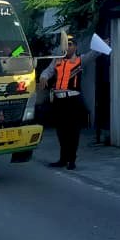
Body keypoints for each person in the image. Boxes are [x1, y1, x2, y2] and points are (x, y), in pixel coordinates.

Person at [41, 35, 85, 169]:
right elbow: (47, 71)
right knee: (61, 131)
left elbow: (95, 53)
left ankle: (72, 160)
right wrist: (43, 76)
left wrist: (103, 44)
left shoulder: (80, 59)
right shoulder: (57, 60)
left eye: (70, 44)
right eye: (66, 44)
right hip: (59, 100)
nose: (68, 47)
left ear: (75, 46)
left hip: (72, 100)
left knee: (73, 131)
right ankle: (63, 158)